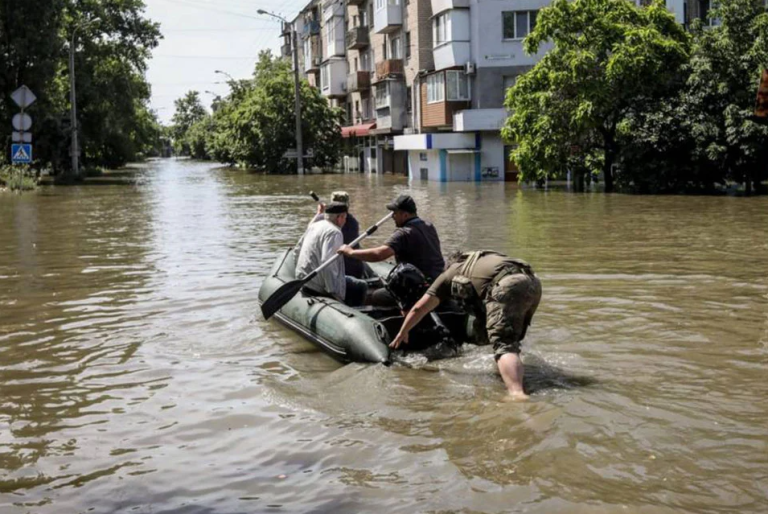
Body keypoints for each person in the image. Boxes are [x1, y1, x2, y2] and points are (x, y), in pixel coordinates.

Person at [390, 250, 542, 400]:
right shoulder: (481, 259)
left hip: (507, 285)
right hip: (533, 281)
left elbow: (419, 308)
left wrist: (402, 332)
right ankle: (509, 373)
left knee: (504, 343)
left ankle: (516, 394)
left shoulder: (449, 274)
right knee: (509, 338)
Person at [338, 194, 444, 305]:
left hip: (416, 287)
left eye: (395, 213)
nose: (393, 216)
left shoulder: (403, 233)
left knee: (374, 296)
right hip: (436, 283)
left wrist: (350, 252)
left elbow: (379, 254)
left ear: (405, 215)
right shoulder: (429, 226)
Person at [295, 202, 368, 307]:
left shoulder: (314, 225)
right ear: (339, 218)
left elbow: (297, 251)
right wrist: (333, 292)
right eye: (344, 217)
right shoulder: (334, 232)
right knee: (361, 285)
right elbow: (328, 263)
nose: (345, 220)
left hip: (304, 280)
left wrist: (299, 277)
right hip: (318, 285)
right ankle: (355, 312)